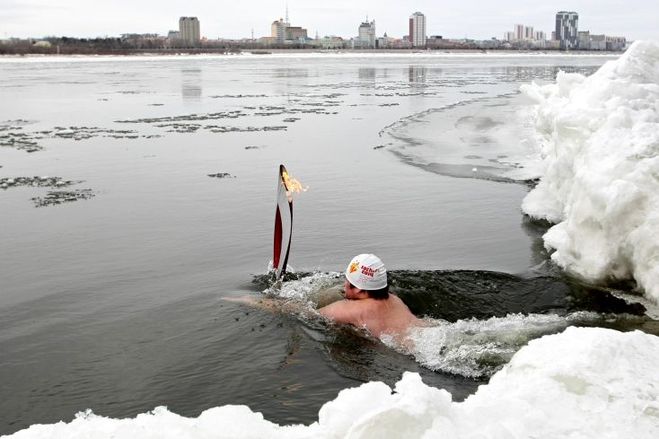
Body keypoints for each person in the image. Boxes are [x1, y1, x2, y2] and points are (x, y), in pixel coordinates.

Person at [318, 254, 420, 338]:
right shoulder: (396, 300)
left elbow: (308, 314)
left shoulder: (350, 309)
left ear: (358, 289)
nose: (344, 284)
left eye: (347, 279)